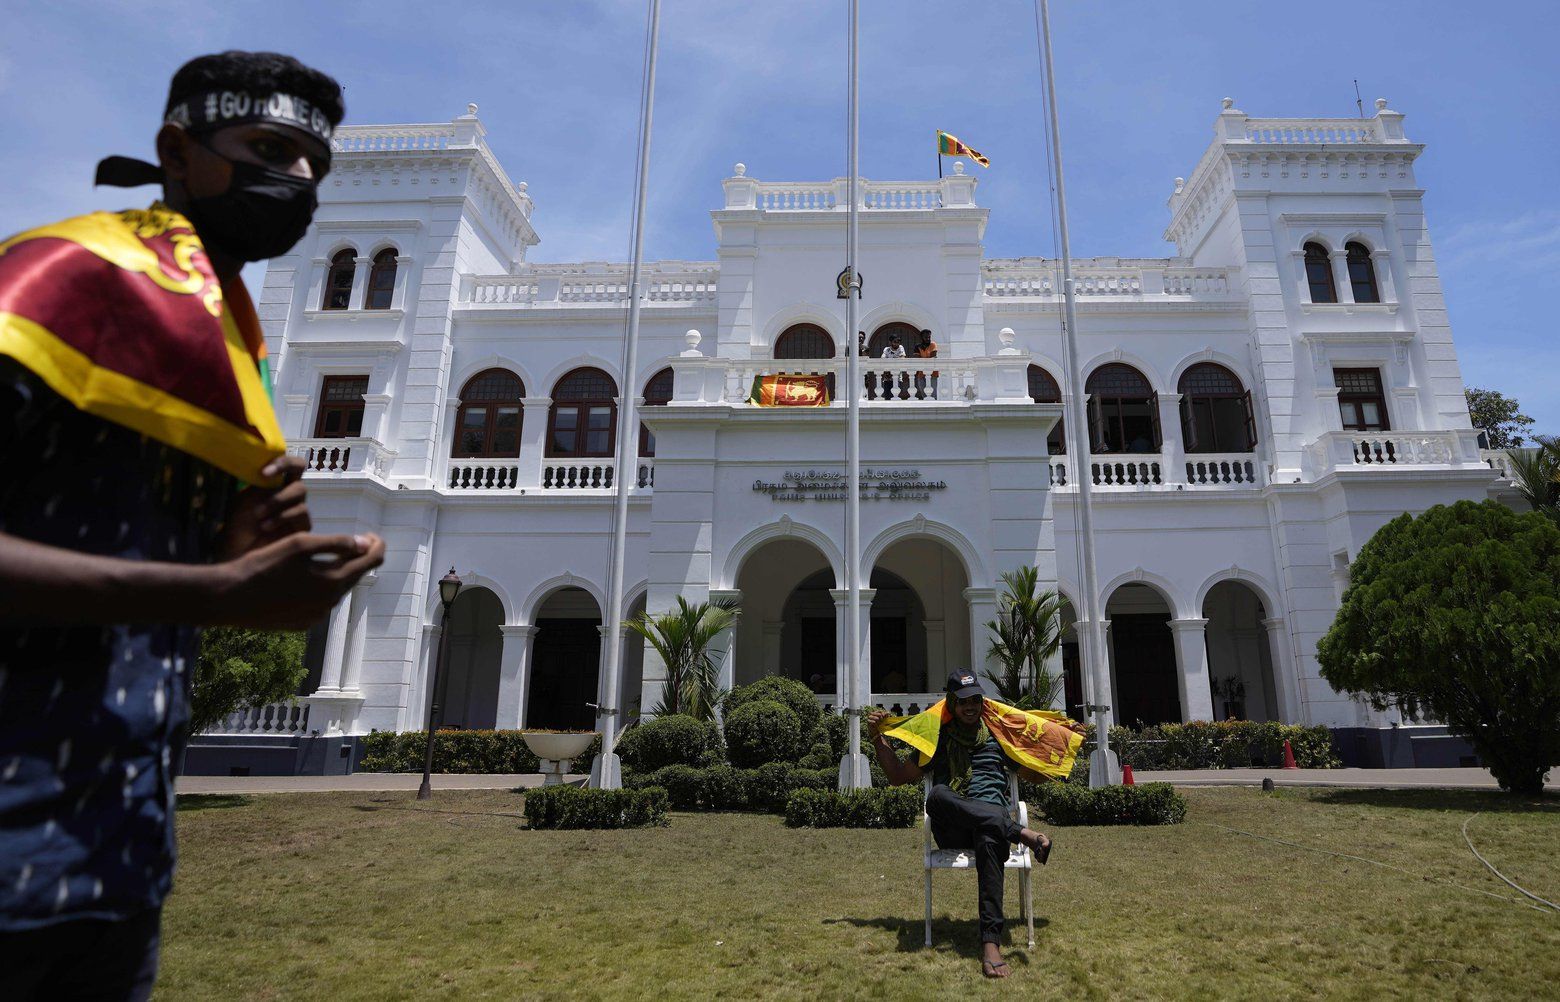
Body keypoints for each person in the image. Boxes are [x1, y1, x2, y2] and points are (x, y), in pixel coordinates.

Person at [0, 51, 384, 1000]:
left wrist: (239, 578)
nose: (293, 179)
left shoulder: (227, 338)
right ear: (177, 150)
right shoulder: (64, 279)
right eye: (267, 147)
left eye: (312, 166)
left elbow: (129, 584)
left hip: (111, 854)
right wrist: (213, 588)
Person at [868, 670, 1063, 980]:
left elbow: (1032, 772)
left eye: (975, 700)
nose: (970, 707)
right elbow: (898, 776)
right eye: (962, 702)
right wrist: (878, 739)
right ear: (952, 703)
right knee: (938, 796)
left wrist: (1059, 746)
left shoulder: (1000, 737)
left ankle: (990, 944)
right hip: (954, 828)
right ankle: (1020, 833)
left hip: (990, 827)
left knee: (989, 834)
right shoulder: (938, 737)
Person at [913, 328, 939, 399]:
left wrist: (923, 359)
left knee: (933, 394)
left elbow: (933, 356)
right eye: (926, 337)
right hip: (921, 373)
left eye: (929, 337)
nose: (928, 339)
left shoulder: (933, 344)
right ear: (922, 337)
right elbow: (917, 359)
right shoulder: (917, 346)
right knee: (923, 393)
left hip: (933, 372)